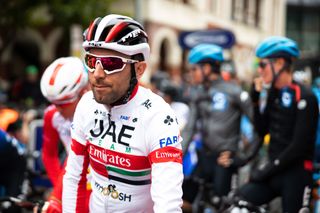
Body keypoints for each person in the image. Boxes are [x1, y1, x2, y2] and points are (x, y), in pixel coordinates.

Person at [62, 14, 183, 213]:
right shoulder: (86, 105)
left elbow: (168, 204)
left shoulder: (158, 117)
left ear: (139, 69)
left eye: (111, 63)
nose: (98, 74)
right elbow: (74, 177)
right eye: (92, 61)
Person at [236, 36, 318, 212]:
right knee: (238, 202)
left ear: (280, 63)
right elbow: (262, 129)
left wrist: (264, 171)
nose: (259, 70)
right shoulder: (274, 93)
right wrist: (256, 100)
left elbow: (298, 147)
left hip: (296, 173)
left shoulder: (305, 97)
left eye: (263, 64)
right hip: (275, 171)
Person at [182, 44, 255, 210]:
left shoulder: (234, 91)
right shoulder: (198, 92)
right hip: (204, 157)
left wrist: (243, 157)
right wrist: (175, 158)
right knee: (182, 200)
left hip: (224, 161)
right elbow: (189, 129)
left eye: (194, 69)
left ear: (207, 68)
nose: (191, 74)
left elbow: (259, 126)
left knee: (221, 206)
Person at [40, 57, 89, 212]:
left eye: (63, 104)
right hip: (72, 177)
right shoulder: (51, 115)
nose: (58, 109)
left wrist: (59, 193)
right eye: (54, 103)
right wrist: (60, 190)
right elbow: (48, 154)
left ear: (83, 93)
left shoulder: (95, 114)